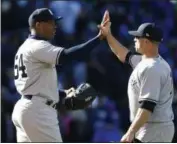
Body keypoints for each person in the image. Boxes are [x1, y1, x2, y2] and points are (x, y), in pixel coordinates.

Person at [12, 8, 109, 142]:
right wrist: (99, 38)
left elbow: (34, 86)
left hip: (25, 108)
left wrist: (63, 93)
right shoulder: (38, 46)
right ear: (38, 25)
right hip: (38, 112)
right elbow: (68, 55)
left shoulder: (24, 47)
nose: (54, 26)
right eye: (50, 22)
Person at [99, 10, 174, 142]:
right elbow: (123, 54)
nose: (134, 39)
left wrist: (130, 132)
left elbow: (147, 107)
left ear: (146, 42)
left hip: (155, 128)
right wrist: (108, 35)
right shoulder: (146, 61)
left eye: (137, 37)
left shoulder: (153, 68)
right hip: (150, 126)